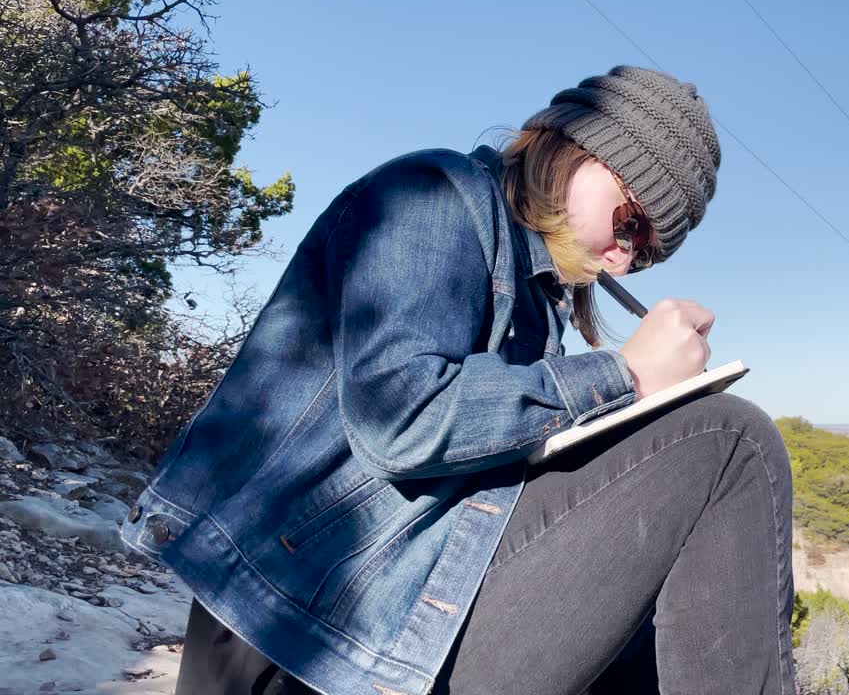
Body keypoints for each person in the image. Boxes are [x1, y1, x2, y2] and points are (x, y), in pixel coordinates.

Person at [121, 65, 796, 695]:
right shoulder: (435, 194)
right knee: (729, 441)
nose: (623, 257)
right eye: (630, 222)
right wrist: (623, 374)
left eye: (644, 254)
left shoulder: (538, 304)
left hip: (410, 592)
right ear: (580, 148)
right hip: (308, 614)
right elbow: (402, 418)